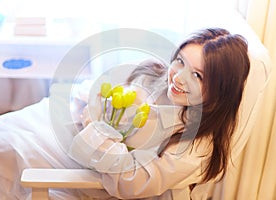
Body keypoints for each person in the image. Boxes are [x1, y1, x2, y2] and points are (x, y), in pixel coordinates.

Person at [68, 27, 250, 199]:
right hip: (76, 142)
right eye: (180, 61)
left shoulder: (195, 148)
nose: (178, 78)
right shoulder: (152, 73)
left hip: (90, 175)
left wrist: (94, 128)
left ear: (220, 91)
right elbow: (99, 93)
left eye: (197, 76)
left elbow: (132, 181)